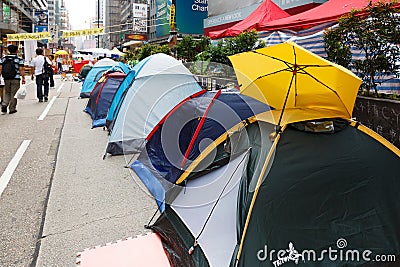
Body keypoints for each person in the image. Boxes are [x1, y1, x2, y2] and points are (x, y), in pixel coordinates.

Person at [0, 44, 26, 114]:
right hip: (16, 78)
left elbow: (0, 68)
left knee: (7, 92)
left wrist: (0, 77)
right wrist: (23, 77)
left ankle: (4, 104)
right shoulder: (19, 59)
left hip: (6, 78)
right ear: (17, 50)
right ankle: (12, 108)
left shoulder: (3, 59)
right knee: (14, 93)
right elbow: (21, 69)